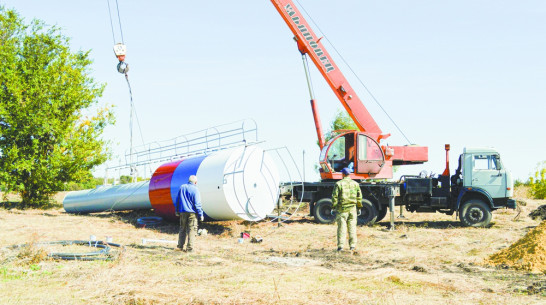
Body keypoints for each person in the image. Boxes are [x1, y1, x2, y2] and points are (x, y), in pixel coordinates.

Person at [331, 168, 362, 251]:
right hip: (352, 209)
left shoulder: (338, 184)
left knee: (342, 228)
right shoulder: (355, 184)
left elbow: (335, 197)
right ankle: (352, 246)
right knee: (352, 228)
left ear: (343, 174)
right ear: (349, 174)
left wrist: (333, 207)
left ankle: (341, 246)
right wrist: (359, 207)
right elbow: (359, 197)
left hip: (342, 210)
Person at [175, 175, 204, 252]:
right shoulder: (195, 189)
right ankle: (190, 249)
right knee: (192, 230)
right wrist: (201, 214)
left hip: (183, 212)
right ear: (195, 182)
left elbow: (177, 200)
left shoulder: (182, 187)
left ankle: (180, 247)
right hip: (192, 213)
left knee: (182, 229)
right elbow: (197, 203)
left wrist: (177, 211)